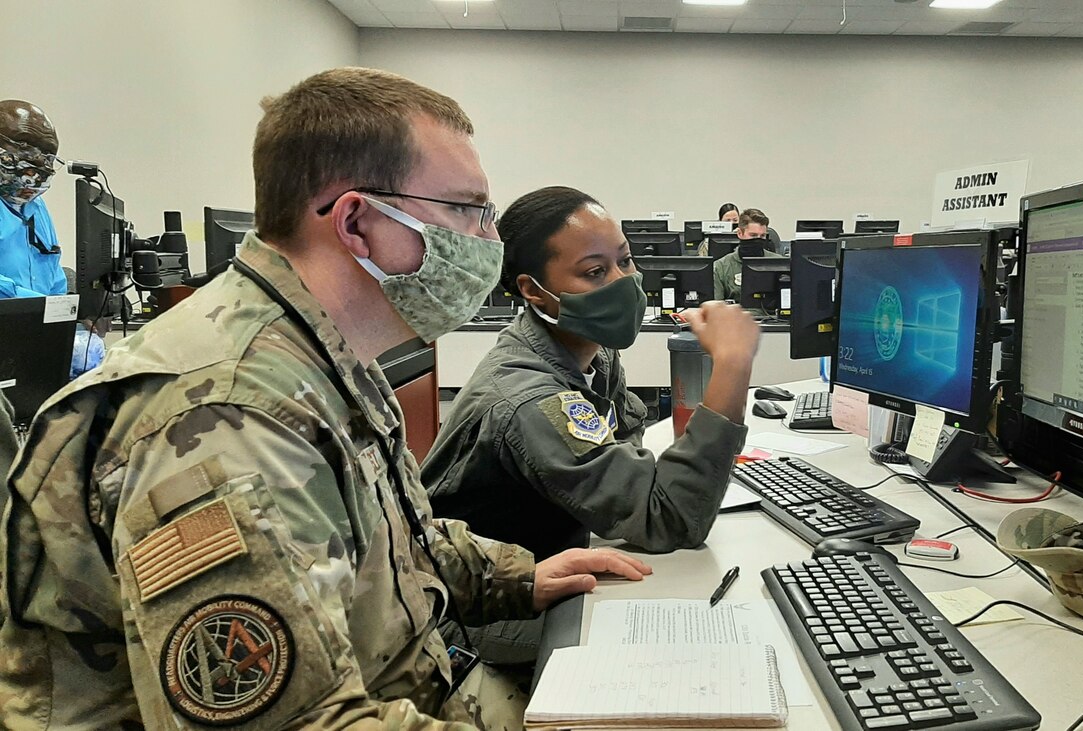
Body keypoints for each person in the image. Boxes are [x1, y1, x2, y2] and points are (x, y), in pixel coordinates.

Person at [0, 68, 651, 729]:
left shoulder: (327, 354)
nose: (488, 239)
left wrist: (521, 575)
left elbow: (395, 545)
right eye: (466, 210)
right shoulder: (226, 418)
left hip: (423, 683)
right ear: (357, 221)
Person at [422, 186, 759, 659]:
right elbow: (670, 518)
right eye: (595, 272)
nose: (623, 282)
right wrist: (732, 365)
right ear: (532, 290)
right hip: (474, 614)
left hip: (554, 556)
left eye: (625, 261)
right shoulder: (532, 397)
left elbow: (631, 468)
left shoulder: (591, 352)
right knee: (665, 641)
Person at [0, 100, 67, 299]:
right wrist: (32, 303)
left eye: (47, 156)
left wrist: (68, 310)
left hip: (32, 324)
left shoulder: (35, 207)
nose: (38, 162)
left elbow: (54, 273)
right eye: (25, 148)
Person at [713, 207, 784, 301]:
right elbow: (716, 308)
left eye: (762, 236)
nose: (758, 239)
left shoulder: (779, 263)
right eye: (753, 235)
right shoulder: (721, 267)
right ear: (739, 233)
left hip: (771, 314)